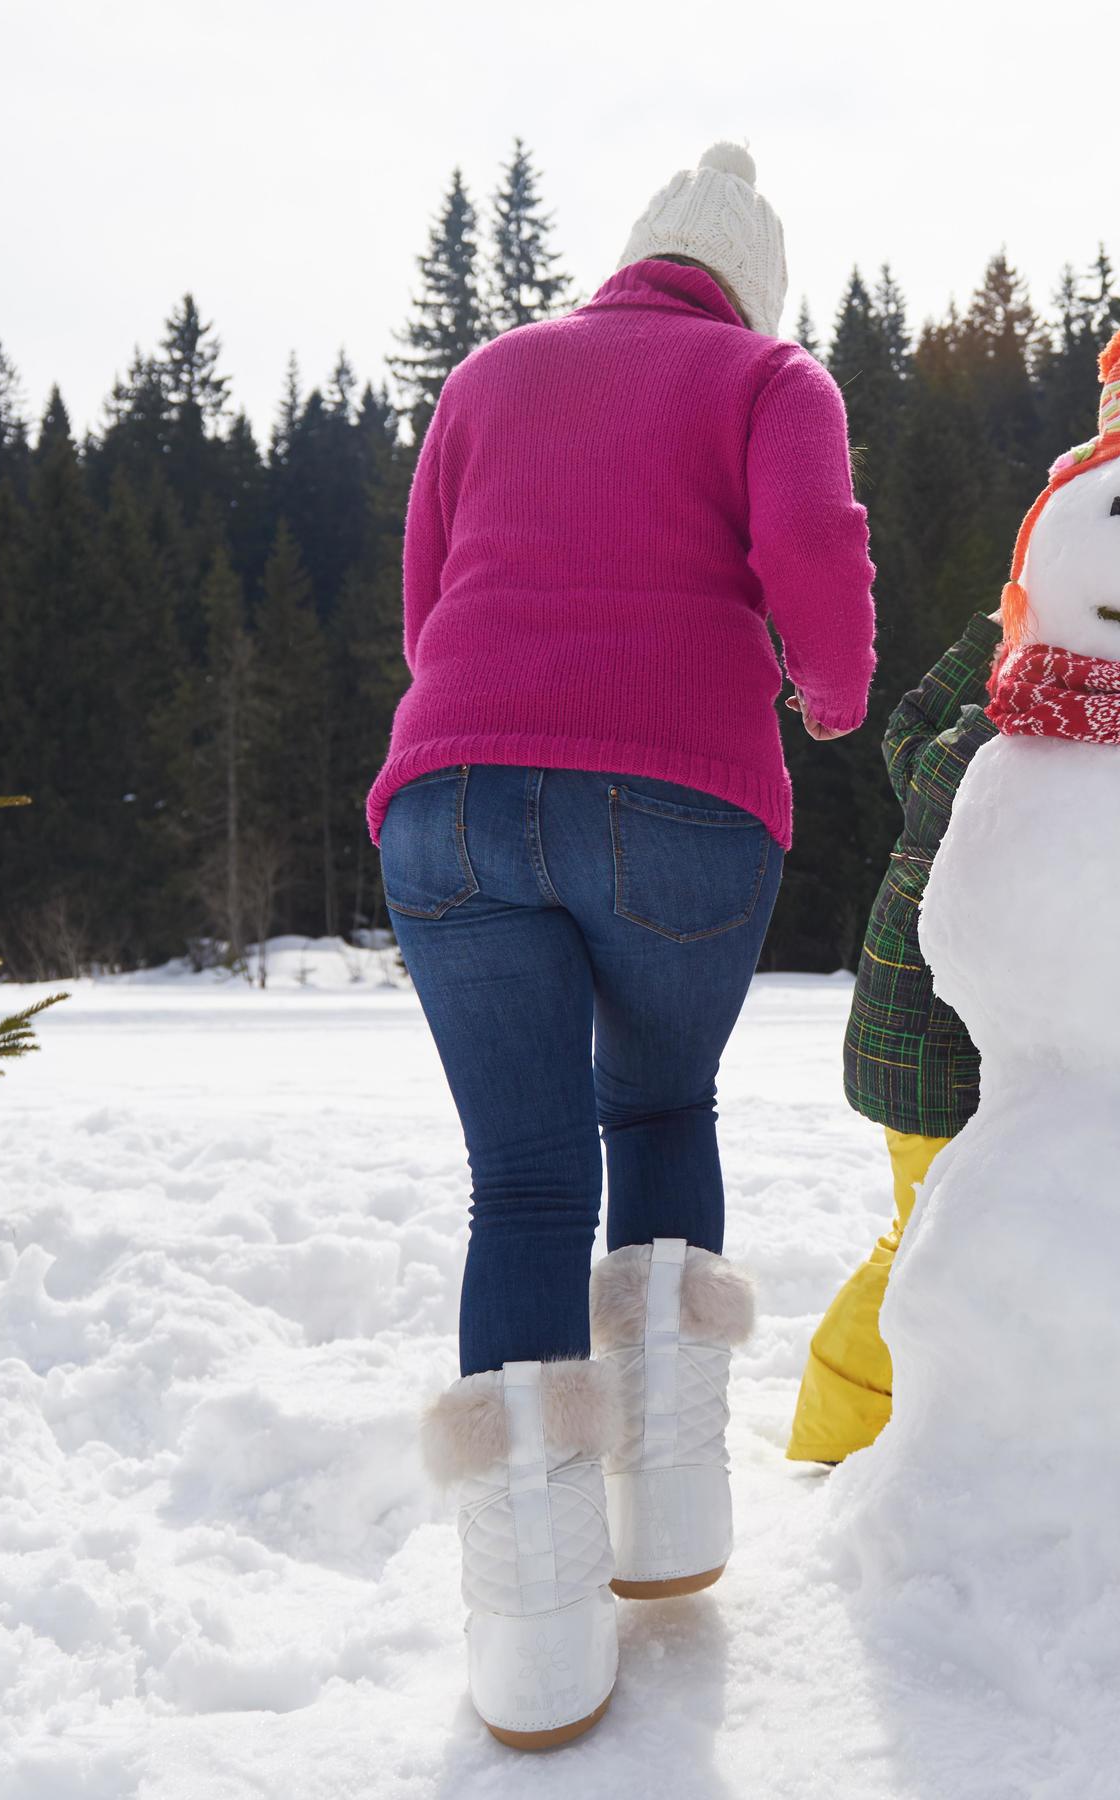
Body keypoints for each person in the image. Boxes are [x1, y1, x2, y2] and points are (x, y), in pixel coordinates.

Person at [373, 141, 875, 1751]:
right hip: (679, 806)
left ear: (639, 260)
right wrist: (833, 689)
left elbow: (422, 596)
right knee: (657, 1107)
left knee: (521, 1181)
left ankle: (531, 1650)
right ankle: (670, 1521)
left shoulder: (495, 370)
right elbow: (814, 549)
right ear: (748, 284)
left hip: (447, 798)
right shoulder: (767, 374)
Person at [789, 604, 1001, 1465]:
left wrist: (989, 629)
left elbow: (908, 723)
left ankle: (871, 1420)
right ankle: (839, 1427)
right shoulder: (1006, 754)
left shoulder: (947, 750)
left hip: (912, 1043)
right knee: (927, 1238)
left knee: (931, 1231)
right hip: (936, 1053)